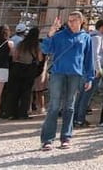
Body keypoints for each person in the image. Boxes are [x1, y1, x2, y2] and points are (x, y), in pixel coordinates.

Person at [39, 11, 94, 150]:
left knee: (69, 107)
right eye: (69, 20)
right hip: (58, 73)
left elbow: (88, 59)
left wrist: (90, 77)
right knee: (54, 106)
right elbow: (46, 49)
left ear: (81, 21)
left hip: (75, 74)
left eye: (74, 20)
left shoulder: (86, 37)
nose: (71, 23)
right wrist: (50, 34)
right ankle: (47, 139)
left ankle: (66, 137)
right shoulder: (59, 36)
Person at [74, 19, 103, 127]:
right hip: (92, 71)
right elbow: (95, 56)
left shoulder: (90, 36)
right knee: (86, 96)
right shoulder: (97, 38)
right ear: (102, 27)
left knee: (81, 95)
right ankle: (80, 119)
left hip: (86, 69)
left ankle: (75, 118)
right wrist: (99, 70)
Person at [5, 26, 43, 119]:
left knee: (15, 92)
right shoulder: (37, 45)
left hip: (17, 67)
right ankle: (23, 113)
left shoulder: (21, 43)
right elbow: (40, 58)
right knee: (26, 93)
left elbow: (15, 56)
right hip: (29, 69)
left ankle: (11, 113)